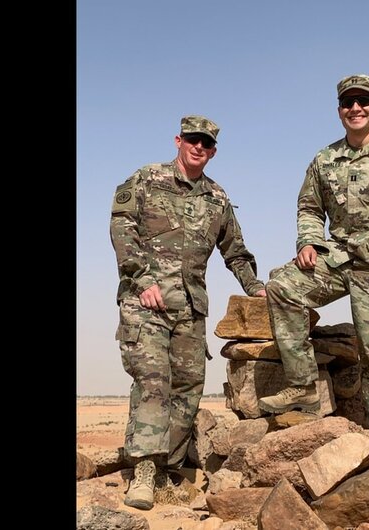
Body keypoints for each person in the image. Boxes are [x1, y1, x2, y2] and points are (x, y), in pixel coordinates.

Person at [257, 75, 369, 478]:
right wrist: (308, 240)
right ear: (339, 110)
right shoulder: (325, 160)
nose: (356, 108)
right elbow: (308, 207)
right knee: (283, 286)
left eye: (363, 101)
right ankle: (303, 385)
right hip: (337, 260)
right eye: (348, 102)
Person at [110, 115, 266, 510]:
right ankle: (144, 471)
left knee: (188, 386)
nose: (199, 147)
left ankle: (166, 468)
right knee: (154, 381)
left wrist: (255, 288)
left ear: (213, 151)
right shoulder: (147, 179)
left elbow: (235, 251)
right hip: (145, 302)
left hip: (190, 308)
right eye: (193, 139)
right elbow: (122, 228)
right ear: (178, 140)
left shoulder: (217, 198)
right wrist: (142, 279)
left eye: (207, 143)